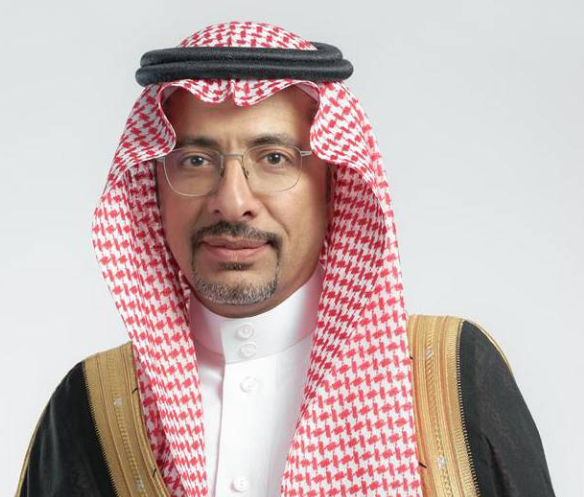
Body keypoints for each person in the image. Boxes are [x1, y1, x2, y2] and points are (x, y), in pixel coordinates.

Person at [16, 21, 556, 497]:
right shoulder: (91, 406)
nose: (232, 201)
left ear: (334, 184)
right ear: (152, 189)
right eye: (195, 161)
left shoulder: (449, 377)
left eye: (274, 158)